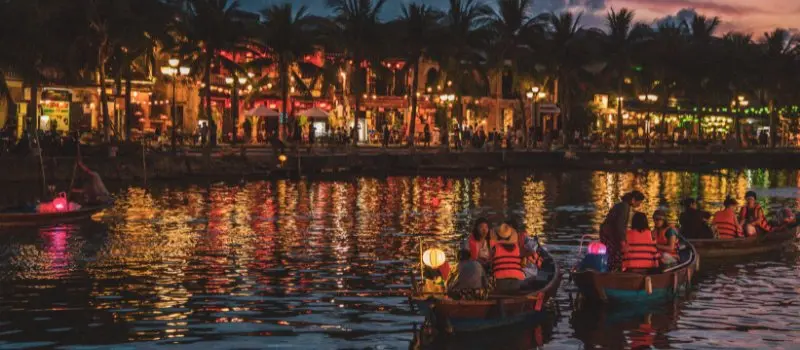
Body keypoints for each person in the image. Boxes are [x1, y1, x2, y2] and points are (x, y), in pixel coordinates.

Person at [600, 190, 645, 271]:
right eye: (639, 202)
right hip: (609, 234)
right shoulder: (625, 207)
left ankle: (611, 270)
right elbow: (620, 225)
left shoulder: (621, 205)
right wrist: (623, 241)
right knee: (616, 254)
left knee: (612, 254)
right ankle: (614, 272)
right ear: (633, 200)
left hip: (607, 232)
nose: (639, 205)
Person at [490, 223, 524, 293]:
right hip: (516, 280)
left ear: (498, 236)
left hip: (500, 280)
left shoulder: (495, 248)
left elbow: (491, 262)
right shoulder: (517, 247)